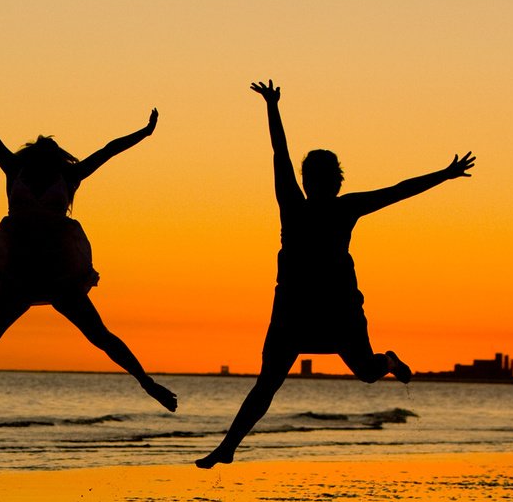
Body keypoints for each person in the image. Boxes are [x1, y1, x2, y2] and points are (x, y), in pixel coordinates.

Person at [197, 82, 472, 468]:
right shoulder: (292, 203)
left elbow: (398, 191)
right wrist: (272, 108)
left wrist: (443, 175)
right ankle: (227, 448)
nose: (315, 183)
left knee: (368, 372)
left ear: (332, 182)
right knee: (267, 384)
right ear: (308, 180)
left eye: (320, 178)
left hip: (338, 310)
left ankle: (390, 361)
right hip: (291, 310)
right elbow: (281, 153)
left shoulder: (346, 208)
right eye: (312, 177)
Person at [0, 70, 177, 416]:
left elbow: (108, 150)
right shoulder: (14, 169)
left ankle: (147, 382)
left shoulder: (69, 176)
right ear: (33, 153)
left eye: (50, 147)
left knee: (98, 334)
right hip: (21, 268)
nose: (45, 149)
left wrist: (144, 133)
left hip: (58, 271)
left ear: (55, 155)